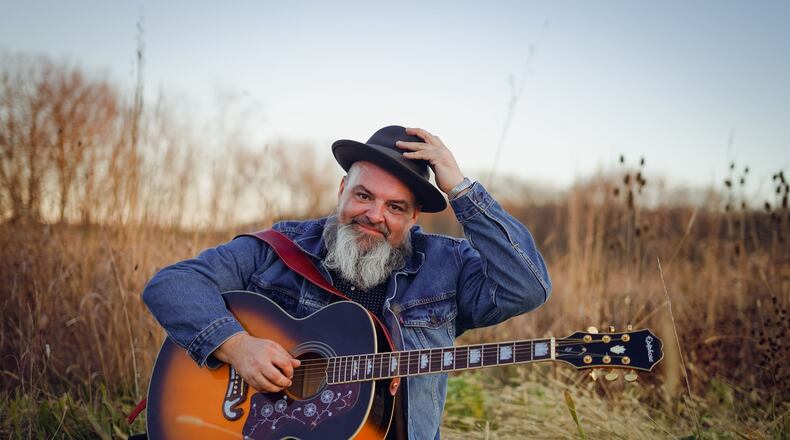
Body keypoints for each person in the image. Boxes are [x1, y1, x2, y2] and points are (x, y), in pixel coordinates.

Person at [142, 125, 552, 439]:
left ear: (413, 218)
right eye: (363, 196)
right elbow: (173, 284)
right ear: (341, 191)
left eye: (395, 206)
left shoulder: (447, 267)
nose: (374, 215)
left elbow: (527, 287)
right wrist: (237, 346)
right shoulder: (278, 248)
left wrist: (461, 189)